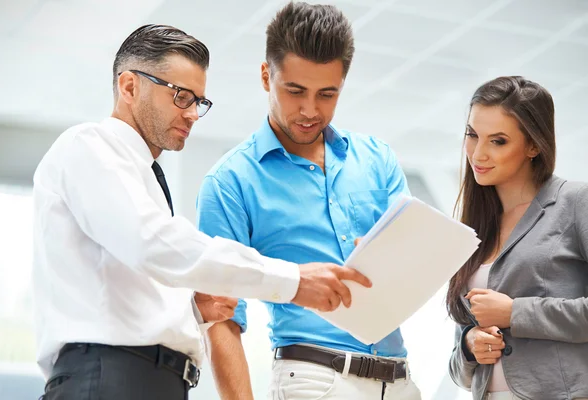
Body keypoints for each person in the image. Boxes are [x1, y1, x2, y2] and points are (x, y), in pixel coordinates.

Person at [32, 24, 372, 400]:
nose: (193, 113)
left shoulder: (142, 177)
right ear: (129, 87)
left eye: (199, 101)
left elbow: (126, 283)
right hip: (108, 379)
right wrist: (292, 281)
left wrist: (191, 309)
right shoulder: (89, 146)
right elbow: (153, 244)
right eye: (180, 97)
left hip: (153, 380)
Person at [196, 3, 422, 399]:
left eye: (327, 94)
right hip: (316, 380)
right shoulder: (230, 182)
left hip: (401, 380)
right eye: (295, 91)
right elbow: (221, 319)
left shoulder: (377, 158)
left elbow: (412, 264)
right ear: (267, 76)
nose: (309, 111)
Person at [446, 76, 588, 400]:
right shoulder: (476, 227)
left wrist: (515, 314)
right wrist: (469, 348)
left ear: (534, 145)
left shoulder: (576, 202)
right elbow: (458, 371)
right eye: (472, 135)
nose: (478, 153)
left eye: (498, 141)